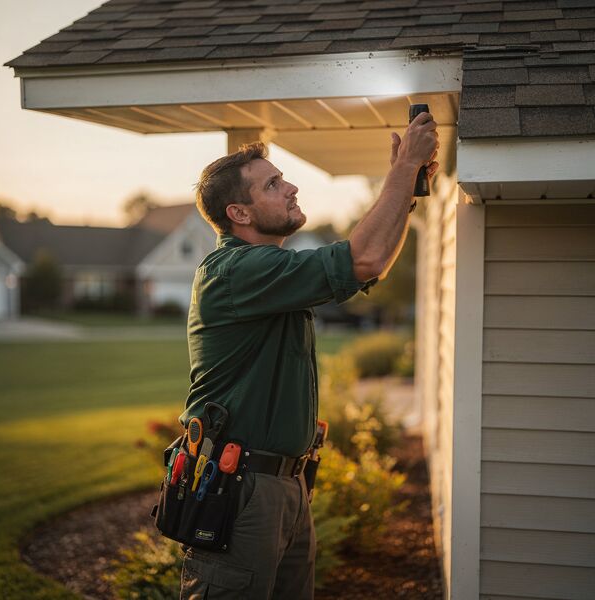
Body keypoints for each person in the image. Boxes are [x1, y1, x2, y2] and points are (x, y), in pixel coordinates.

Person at [179, 111, 439, 600]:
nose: (292, 187)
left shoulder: (272, 273)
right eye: (273, 184)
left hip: (284, 485)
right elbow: (363, 258)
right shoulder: (234, 271)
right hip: (240, 489)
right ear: (240, 213)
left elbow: (372, 266)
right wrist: (402, 171)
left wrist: (405, 190)